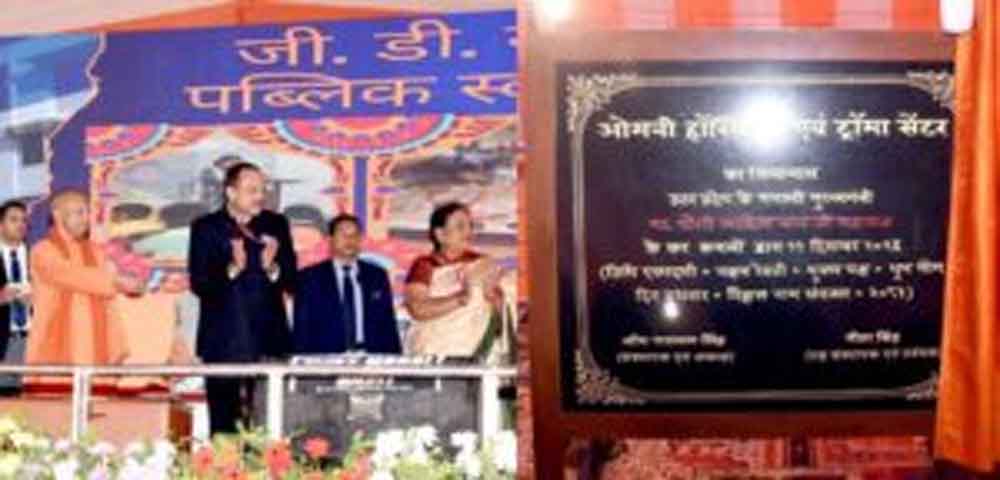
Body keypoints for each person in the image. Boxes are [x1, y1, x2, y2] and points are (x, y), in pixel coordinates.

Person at [188, 159, 296, 435]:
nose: (260, 196)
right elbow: (200, 284)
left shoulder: (276, 224)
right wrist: (232, 269)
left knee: (269, 423)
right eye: (252, 190)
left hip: (269, 341)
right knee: (225, 428)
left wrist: (272, 267)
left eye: (262, 190)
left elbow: (292, 280)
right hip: (223, 342)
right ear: (231, 192)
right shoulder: (206, 227)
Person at [25, 190, 144, 372]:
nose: (86, 219)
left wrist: (131, 283)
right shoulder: (43, 250)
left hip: (97, 343)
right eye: (79, 212)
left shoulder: (96, 251)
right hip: (59, 343)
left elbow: (115, 281)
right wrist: (116, 281)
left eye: (88, 213)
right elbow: (70, 275)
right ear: (57, 215)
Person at [404, 202, 507, 357]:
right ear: (440, 234)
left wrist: (495, 298)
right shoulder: (425, 265)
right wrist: (461, 298)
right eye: (460, 226)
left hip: (479, 353)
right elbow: (418, 309)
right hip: (436, 352)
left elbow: (502, 315)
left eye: (470, 226)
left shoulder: (482, 263)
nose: (468, 232)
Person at [293, 214, 401, 354]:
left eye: (355, 235)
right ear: (330, 240)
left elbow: (388, 323)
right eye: (343, 234)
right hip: (325, 358)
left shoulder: (377, 276)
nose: (350, 240)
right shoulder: (309, 277)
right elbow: (302, 328)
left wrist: (395, 358)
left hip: (370, 357)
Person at [0, 201, 30, 392]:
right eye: (14, 219)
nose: (21, 225)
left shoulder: (39, 255)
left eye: (24, 220)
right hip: (3, 338)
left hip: (32, 341)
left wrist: (39, 299)